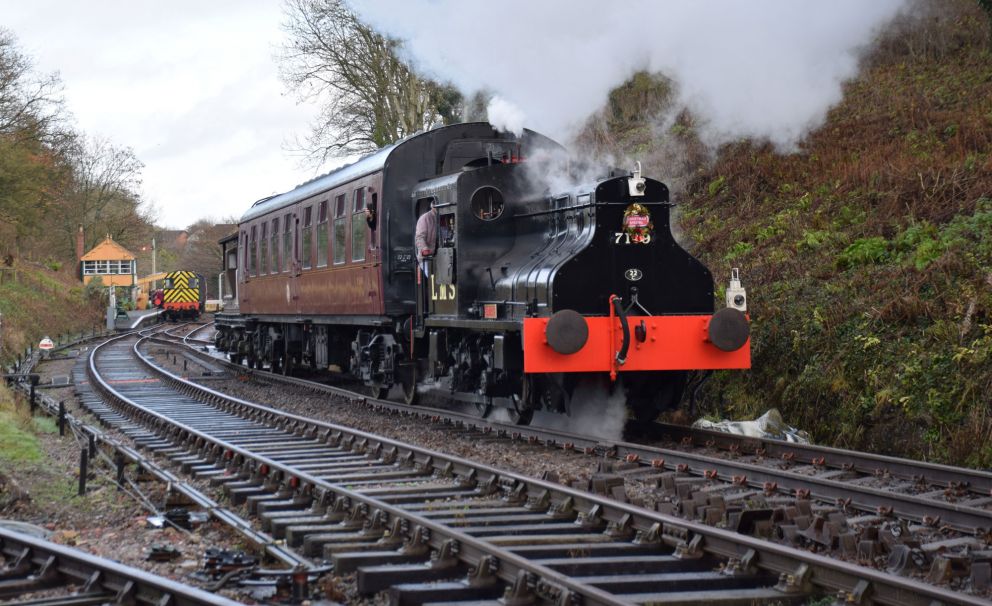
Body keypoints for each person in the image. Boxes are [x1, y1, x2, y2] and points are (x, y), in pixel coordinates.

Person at [414, 202, 438, 277]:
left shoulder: (441, 217)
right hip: (427, 258)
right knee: (433, 278)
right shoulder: (425, 218)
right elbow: (419, 237)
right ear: (433, 206)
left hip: (438, 255)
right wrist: (425, 249)